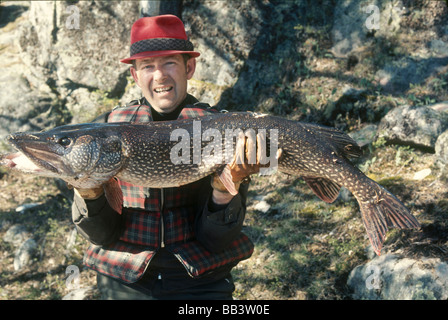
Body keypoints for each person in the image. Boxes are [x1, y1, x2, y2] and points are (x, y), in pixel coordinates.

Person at [71, 14, 263, 300]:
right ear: (136, 75)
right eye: (147, 66)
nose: (159, 75)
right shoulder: (104, 131)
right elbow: (101, 235)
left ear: (190, 67)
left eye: (169, 63)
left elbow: (216, 239)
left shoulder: (223, 131)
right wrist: (87, 192)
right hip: (124, 278)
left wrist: (225, 189)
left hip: (199, 278)